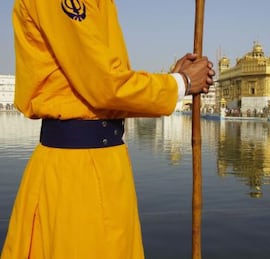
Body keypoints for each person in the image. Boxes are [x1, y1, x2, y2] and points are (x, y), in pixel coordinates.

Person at [1, 0, 215, 258]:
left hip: (104, 165)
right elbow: (105, 86)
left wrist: (174, 83)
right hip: (77, 174)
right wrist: (182, 83)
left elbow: (105, 95)